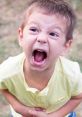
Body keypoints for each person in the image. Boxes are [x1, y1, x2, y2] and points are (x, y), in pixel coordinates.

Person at [0, 0, 82, 117]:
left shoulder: (71, 75)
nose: (42, 38)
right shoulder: (7, 70)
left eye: (53, 34)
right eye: (34, 30)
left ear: (65, 46)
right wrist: (19, 107)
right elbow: (3, 87)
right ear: (21, 36)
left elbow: (78, 96)